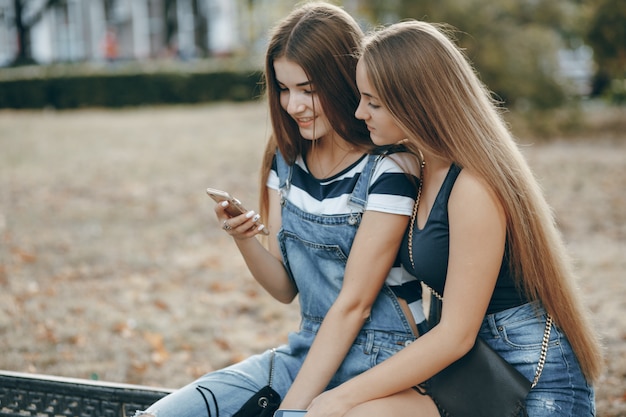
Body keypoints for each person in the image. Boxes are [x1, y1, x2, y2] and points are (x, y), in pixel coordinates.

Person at [133, 4, 425, 417]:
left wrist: (292, 410)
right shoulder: (285, 160)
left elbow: (354, 306)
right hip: (308, 352)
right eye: (284, 89)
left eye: (308, 89)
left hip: (384, 363)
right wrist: (244, 238)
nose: (293, 105)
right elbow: (285, 288)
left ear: (345, 81)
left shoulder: (390, 168)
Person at [302, 20, 604, 417]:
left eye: (373, 102)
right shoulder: (422, 168)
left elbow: (456, 335)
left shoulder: (473, 186)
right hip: (474, 372)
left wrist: (340, 395)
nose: (361, 113)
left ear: (416, 103)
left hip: (532, 378)